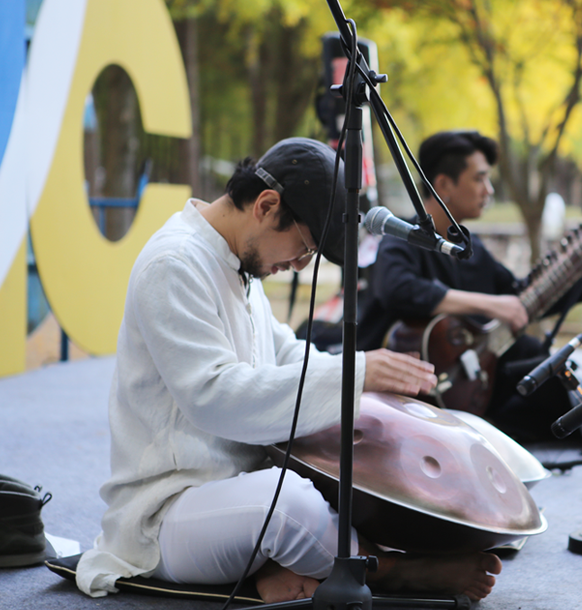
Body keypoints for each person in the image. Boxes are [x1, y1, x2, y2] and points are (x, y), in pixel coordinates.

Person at [75, 138, 502, 603]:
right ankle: (393, 571)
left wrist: (376, 386)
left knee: (359, 462)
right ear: (266, 205)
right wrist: (355, 376)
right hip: (165, 512)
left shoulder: (235, 262)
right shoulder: (174, 264)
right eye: (303, 247)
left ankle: (287, 567)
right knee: (287, 505)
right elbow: (213, 396)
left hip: (235, 492)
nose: (299, 265)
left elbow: (288, 354)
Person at [358, 131, 582, 443]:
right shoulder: (400, 238)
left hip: (466, 387)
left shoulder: (471, 248)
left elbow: (523, 301)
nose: (490, 189)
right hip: (400, 394)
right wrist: (489, 304)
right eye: (480, 179)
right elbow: (398, 289)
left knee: (540, 363)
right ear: (443, 184)